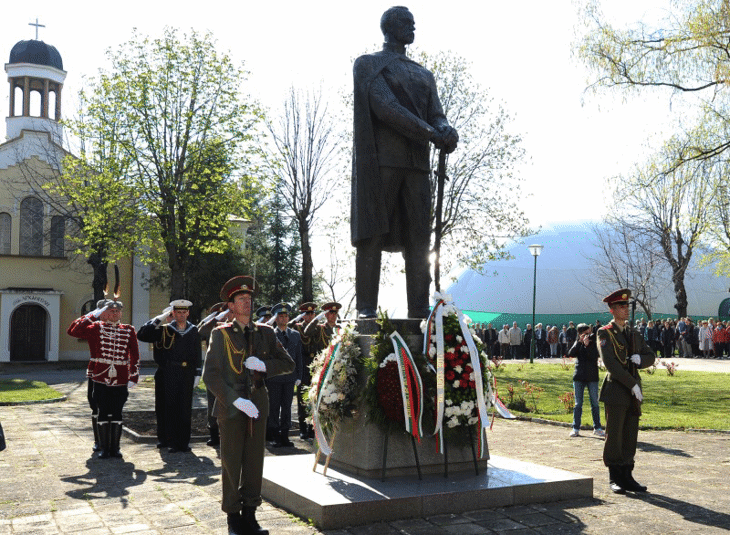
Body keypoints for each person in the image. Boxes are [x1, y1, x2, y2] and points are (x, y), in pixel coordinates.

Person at [352, 6, 458, 319]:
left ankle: (419, 309)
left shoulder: (424, 74)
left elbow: (435, 113)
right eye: (407, 22)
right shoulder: (368, 65)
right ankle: (366, 309)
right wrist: (430, 132)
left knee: (419, 238)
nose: (413, 27)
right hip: (381, 163)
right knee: (372, 234)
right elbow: (386, 108)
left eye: (413, 23)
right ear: (389, 27)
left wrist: (445, 129)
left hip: (417, 166)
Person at [202, 276, 294, 535]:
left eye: (249, 299)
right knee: (231, 462)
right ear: (230, 305)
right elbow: (211, 375)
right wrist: (236, 400)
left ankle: (251, 515)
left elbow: (288, 363)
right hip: (231, 406)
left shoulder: (265, 332)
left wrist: (265, 366)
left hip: (258, 403)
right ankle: (233, 518)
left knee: (254, 462)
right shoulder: (220, 335)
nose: (247, 303)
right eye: (241, 299)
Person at [597, 288, 655, 494]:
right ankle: (614, 476)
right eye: (621, 306)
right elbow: (611, 364)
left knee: (630, 433)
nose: (626, 309)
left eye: (627, 306)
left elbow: (651, 355)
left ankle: (628, 475)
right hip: (616, 390)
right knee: (614, 435)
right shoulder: (605, 333)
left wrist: (641, 361)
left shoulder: (633, 333)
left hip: (633, 392)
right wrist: (632, 384)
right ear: (612, 310)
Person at [68, 299, 139, 459]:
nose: (114, 314)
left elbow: (134, 355)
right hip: (100, 376)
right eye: (111, 311)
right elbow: (73, 331)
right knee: (102, 411)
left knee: (117, 413)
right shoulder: (96, 328)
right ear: (104, 313)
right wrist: (94, 314)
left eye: (117, 311)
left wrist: (133, 376)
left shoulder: (128, 330)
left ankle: (116, 448)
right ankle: (104, 448)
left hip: (120, 378)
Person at [137, 299, 202, 453]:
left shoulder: (193, 330)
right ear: (173, 313)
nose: (181, 315)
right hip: (169, 372)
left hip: (186, 373)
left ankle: (183, 442)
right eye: (177, 312)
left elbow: (197, 353)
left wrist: (197, 373)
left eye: (184, 312)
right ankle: (171, 441)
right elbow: (142, 334)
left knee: (185, 408)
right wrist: (159, 318)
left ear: (188, 313)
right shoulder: (164, 329)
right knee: (169, 407)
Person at [266, 302, 303, 447]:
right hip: (275, 377)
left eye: (286, 315)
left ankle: (285, 436)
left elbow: (298, 356)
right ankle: (275, 436)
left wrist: (299, 375)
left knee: (287, 407)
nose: (283, 318)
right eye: (280, 316)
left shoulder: (295, 335)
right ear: (275, 319)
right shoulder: (270, 335)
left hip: (290, 377)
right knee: (274, 407)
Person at [197, 302, 231, 447]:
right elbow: (200, 332)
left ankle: (229, 433)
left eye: (226, 314)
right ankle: (213, 433)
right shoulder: (212, 329)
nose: (224, 317)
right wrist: (215, 318)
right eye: (221, 315)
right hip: (214, 370)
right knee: (212, 403)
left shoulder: (234, 327)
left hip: (231, 371)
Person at [568, 323, 604, 438]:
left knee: (595, 403)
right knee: (578, 404)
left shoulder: (594, 342)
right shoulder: (577, 342)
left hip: (592, 377)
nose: (589, 335)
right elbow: (571, 353)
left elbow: (594, 356)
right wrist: (580, 343)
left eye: (590, 332)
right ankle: (575, 428)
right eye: (586, 333)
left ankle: (597, 427)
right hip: (579, 377)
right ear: (580, 334)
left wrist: (588, 345)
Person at [292, 302, 319, 439]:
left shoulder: (318, 327)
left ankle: (312, 427)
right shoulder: (297, 328)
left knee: (314, 396)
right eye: (307, 313)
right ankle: (303, 428)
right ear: (303, 316)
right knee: (303, 398)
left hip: (315, 363)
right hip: (303, 363)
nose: (311, 316)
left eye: (312, 313)